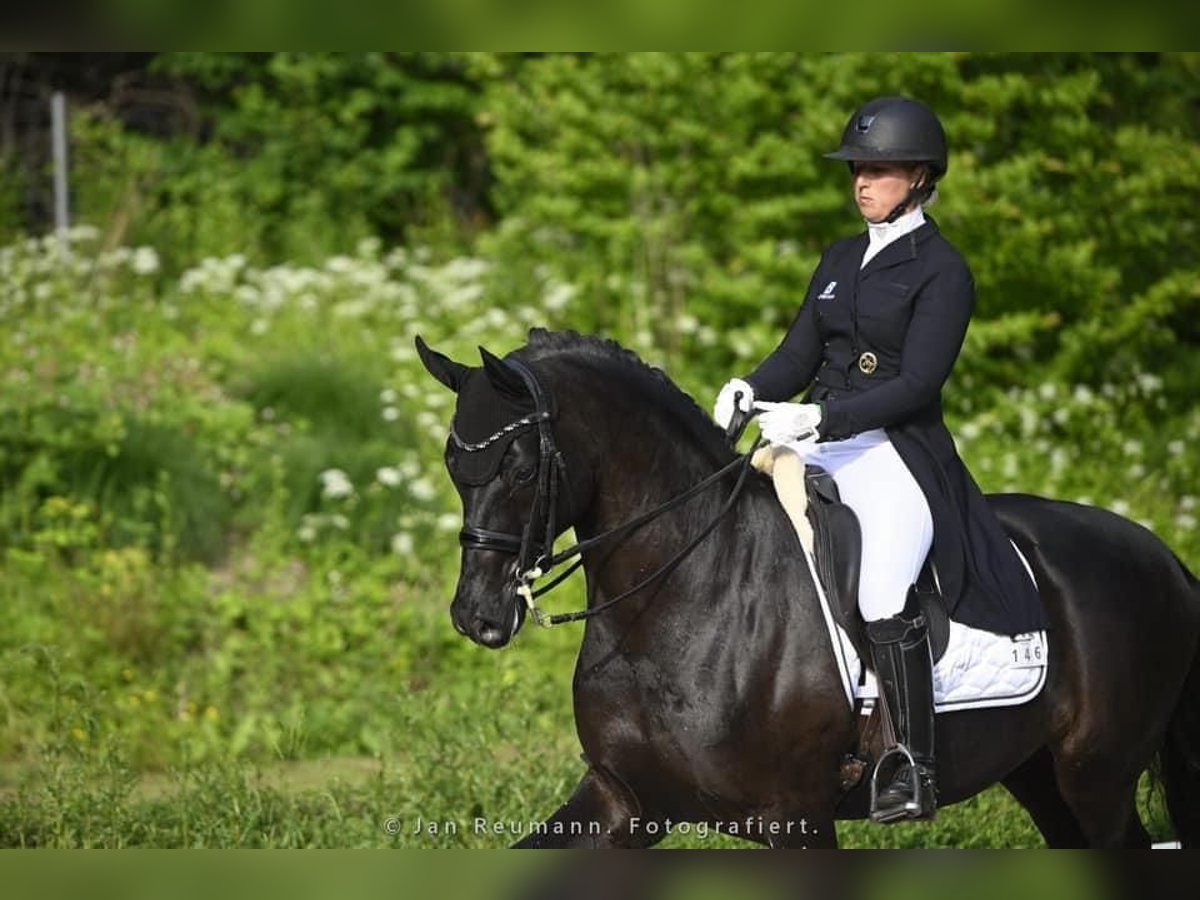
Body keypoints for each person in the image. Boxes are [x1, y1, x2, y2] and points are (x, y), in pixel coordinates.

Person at [712, 96, 1045, 823]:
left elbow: (918, 384)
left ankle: (913, 766)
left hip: (896, 451)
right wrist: (752, 386)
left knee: (883, 592)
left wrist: (825, 414)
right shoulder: (839, 257)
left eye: (881, 170)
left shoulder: (944, 271)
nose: (863, 182)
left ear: (921, 176)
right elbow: (800, 352)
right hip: (818, 440)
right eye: (858, 168)